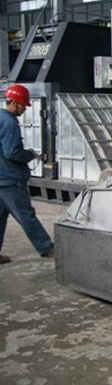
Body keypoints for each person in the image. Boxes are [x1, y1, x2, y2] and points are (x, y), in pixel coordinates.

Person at [0, 84, 55, 264]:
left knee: (0, 217)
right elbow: (12, 152)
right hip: (9, 179)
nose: (24, 109)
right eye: (23, 105)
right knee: (25, 214)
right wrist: (30, 154)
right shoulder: (9, 122)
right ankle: (46, 247)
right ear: (15, 103)